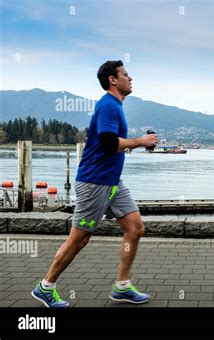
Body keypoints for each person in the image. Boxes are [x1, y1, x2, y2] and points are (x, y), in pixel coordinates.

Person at [31, 60, 158, 307]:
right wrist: (140, 141)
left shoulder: (115, 106)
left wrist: (134, 144)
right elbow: (109, 144)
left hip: (112, 183)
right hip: (94, 183)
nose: (130, 78)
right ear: (113, 79)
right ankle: (46, 287)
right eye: (126, 74)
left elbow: (112, 145)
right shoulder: (108, 106)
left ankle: (122, 286)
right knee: (79, 239)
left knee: (135, 228)